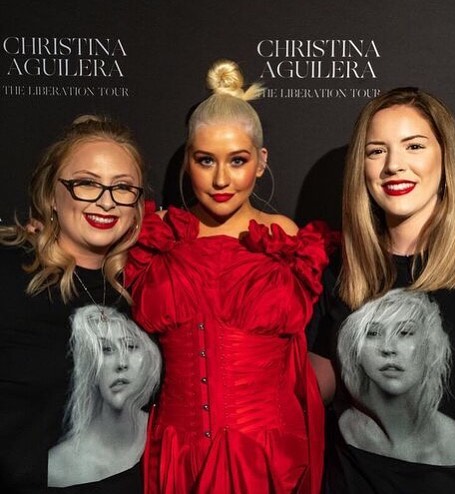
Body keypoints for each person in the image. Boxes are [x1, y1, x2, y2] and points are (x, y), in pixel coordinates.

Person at [125, 59, 337, 494]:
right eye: (205, 160)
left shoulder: (288, 241)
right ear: (188, 161)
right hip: (177, 457)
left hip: (268, 458)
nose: (221, 179)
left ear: (260, 161)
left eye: (237, 160)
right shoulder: (157, 238)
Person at [309, 87, 455, 494]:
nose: (394, 165)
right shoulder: (339, 269)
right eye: (376, 151)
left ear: (446, 156)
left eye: (414, 146)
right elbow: (304, 390)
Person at [0, 115, 146, 493]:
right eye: (86, 183)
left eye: (122, 187)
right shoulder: (11, 272)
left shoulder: (144, 285)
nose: (106, 201)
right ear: (51, 194)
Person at [338, 289, 455, 466]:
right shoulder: (341, 428)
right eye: (373, 333)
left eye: (404, 332)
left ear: (430, 345)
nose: (388, 348)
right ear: (355, 348)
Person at [47, 305, 161, 492]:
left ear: (151, 355)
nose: (121, 363)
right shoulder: (57, 466)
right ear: (88, 364)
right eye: (106, 349)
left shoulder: (167, 439)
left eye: (131, 346)